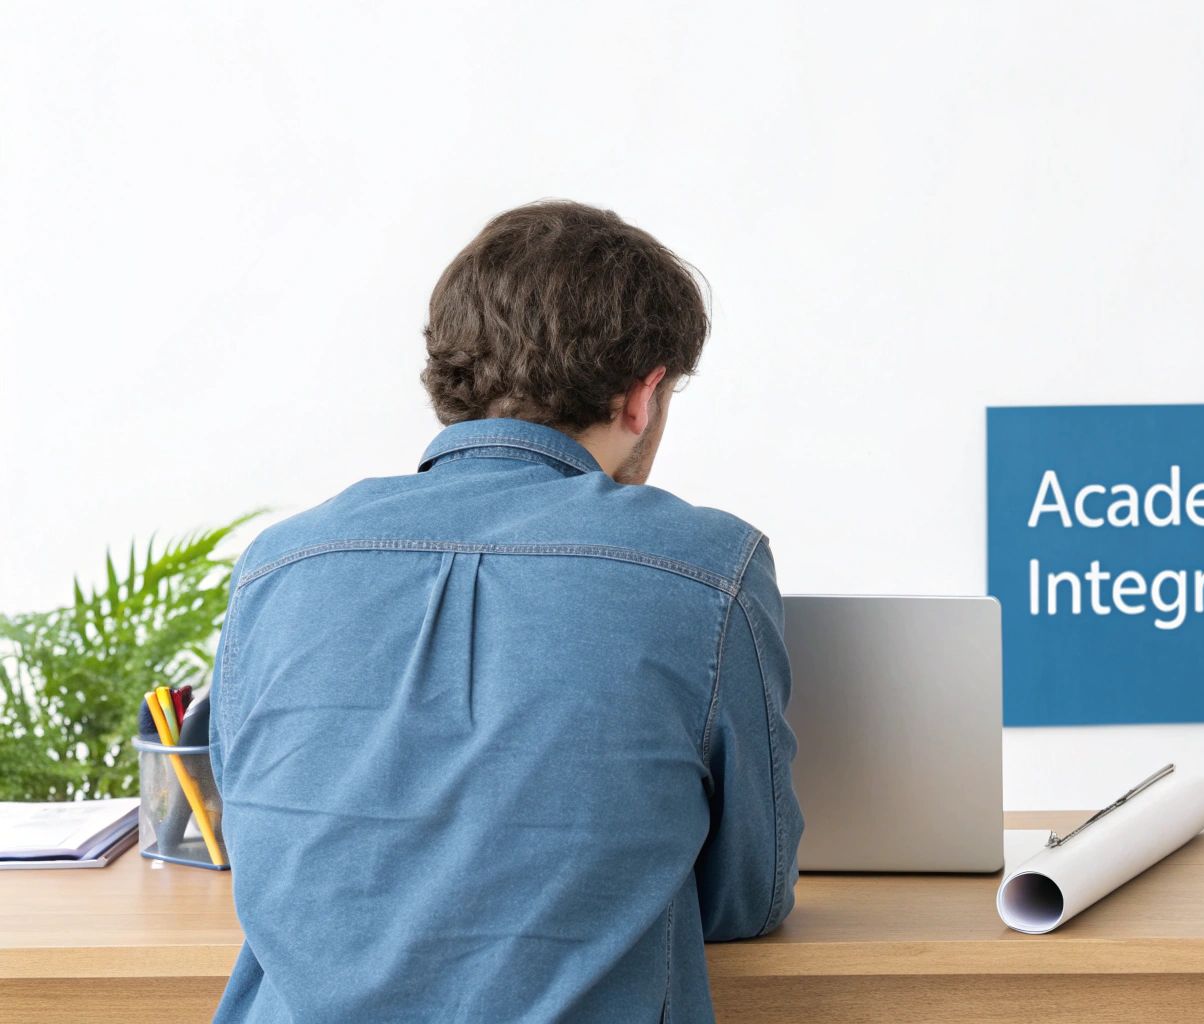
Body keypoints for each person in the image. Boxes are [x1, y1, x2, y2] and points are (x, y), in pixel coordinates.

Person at [208, 200, 802, 1022]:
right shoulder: (707, 570)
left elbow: (265, 858)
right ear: (644, 396)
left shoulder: (278, 565)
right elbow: (746, 898)